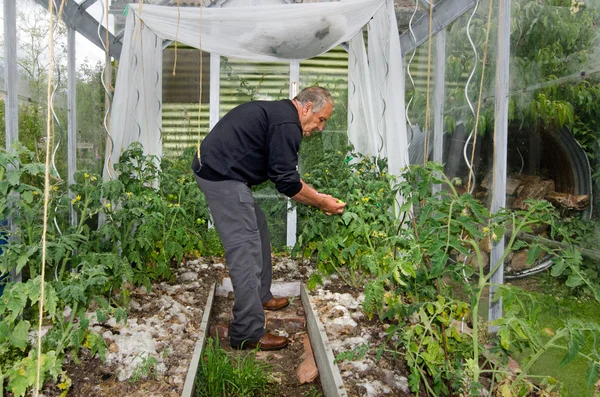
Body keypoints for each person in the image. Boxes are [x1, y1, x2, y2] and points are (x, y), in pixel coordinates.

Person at [191, 86, 346, 351]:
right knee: (246, 252)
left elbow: (284, 173)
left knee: (258, 229)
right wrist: (322, 202)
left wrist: (317, 195)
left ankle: (260, 296)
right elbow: (287, 183)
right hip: (222, 177)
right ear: (307, 108)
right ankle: (246, 333)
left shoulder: (281, 116)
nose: (320, 128)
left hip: (223, 173)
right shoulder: (287, 123)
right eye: (321, 120)